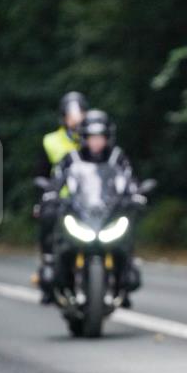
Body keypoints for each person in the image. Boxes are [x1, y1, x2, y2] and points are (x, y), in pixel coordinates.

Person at [47, 109, 141, 307]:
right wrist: (51, 195)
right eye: (91, 137)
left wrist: (135, 195)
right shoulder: (71, 158)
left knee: (125, 237)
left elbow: (129, 179)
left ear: (107, 138)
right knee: (61, 242)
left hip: (108, 214)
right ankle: (59, 279)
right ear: (83, 138)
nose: (96, 142)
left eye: (100, 138)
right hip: (80, 212)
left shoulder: (117, 157)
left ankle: (124, 279)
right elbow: (56, 181)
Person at [37, 92, 87, 303]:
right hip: (62, 200)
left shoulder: (95, 139)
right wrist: (44, 195)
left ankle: (123, 273)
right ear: (64, 117)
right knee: (47, 218)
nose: (76, 120)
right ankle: (49, 270)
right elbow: (40, 173)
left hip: (92, 200)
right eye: (71, 115)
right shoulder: (51, 141)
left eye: (80, 114)